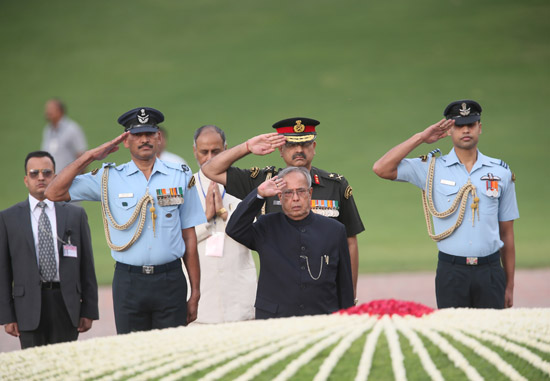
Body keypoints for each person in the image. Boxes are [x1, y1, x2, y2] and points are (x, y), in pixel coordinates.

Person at [45, 107, 206, 334]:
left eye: (149, 134)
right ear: (126, 141)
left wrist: (195, 291)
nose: (144, 140)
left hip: (170, 280)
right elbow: (53, 192)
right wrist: (89, 156)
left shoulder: (180, 174)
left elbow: (189, 235)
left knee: (170, 354)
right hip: (129, 282)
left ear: (158, 138)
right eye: (137, 135)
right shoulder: (109, 177)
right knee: (131, 355)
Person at [372, 100, 519, 309]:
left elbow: (507, 234)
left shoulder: (500, 172)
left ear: (480, 127)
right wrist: (421, 138)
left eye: (472, 123)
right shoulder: (432, 167)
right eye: (459, 125)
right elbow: (381, 168)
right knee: (453, 336)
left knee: (490, 335)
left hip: (490, 271)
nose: (466, 130)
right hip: (452, 272)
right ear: (450, 129)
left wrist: (510, 285)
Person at [201, 117, 364, 298]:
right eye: (291, 145)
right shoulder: (263, 181)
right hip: (280, 292)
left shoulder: (335, 185)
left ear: (314, 147)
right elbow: (210, 170)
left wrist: (350, 294)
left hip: (325, 290)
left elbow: (350, 242)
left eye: (305, 144)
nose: (299, 150)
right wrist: (247, 147)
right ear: (280, 150)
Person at [226, 166, 354, 319]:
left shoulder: (335, 230)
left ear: (310, 193)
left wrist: (348, 318)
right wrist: (258, 195)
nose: (295, 198)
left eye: (300, 191)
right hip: (275, 319)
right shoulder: (266, 225)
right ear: (279, 197)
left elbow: (344, 285)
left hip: (321, 317)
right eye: (288, 193)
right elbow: (234, 228)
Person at [0, 151, 98, 349]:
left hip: (66, 303)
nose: (41, 177)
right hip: (27, 306)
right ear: (26, 180)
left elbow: (87, 264)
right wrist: (6, 315)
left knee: (65, 365)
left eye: (47, 172)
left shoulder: (75, 214)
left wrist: (89, 309)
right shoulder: (8, 218)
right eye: (34, 173)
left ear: (55, 176)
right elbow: (3, 270)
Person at [192, 125, 256, 323]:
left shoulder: (243, 184)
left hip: (238, 291)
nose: (210, 157)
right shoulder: (185, 188)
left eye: (216, 151)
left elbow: (260, 232)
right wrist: (206, 218)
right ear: (195, 151)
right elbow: (175, 241)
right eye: (204, 152)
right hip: (202, 294)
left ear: (226, 149)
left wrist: (225, 215)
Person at [41, 99, 88, 171]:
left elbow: (81, 156)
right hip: (51, 179)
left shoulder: (72, 129)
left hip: (69, 180)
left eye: (51, 109)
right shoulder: (48, 130)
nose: (47, 112)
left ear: (60, 111)